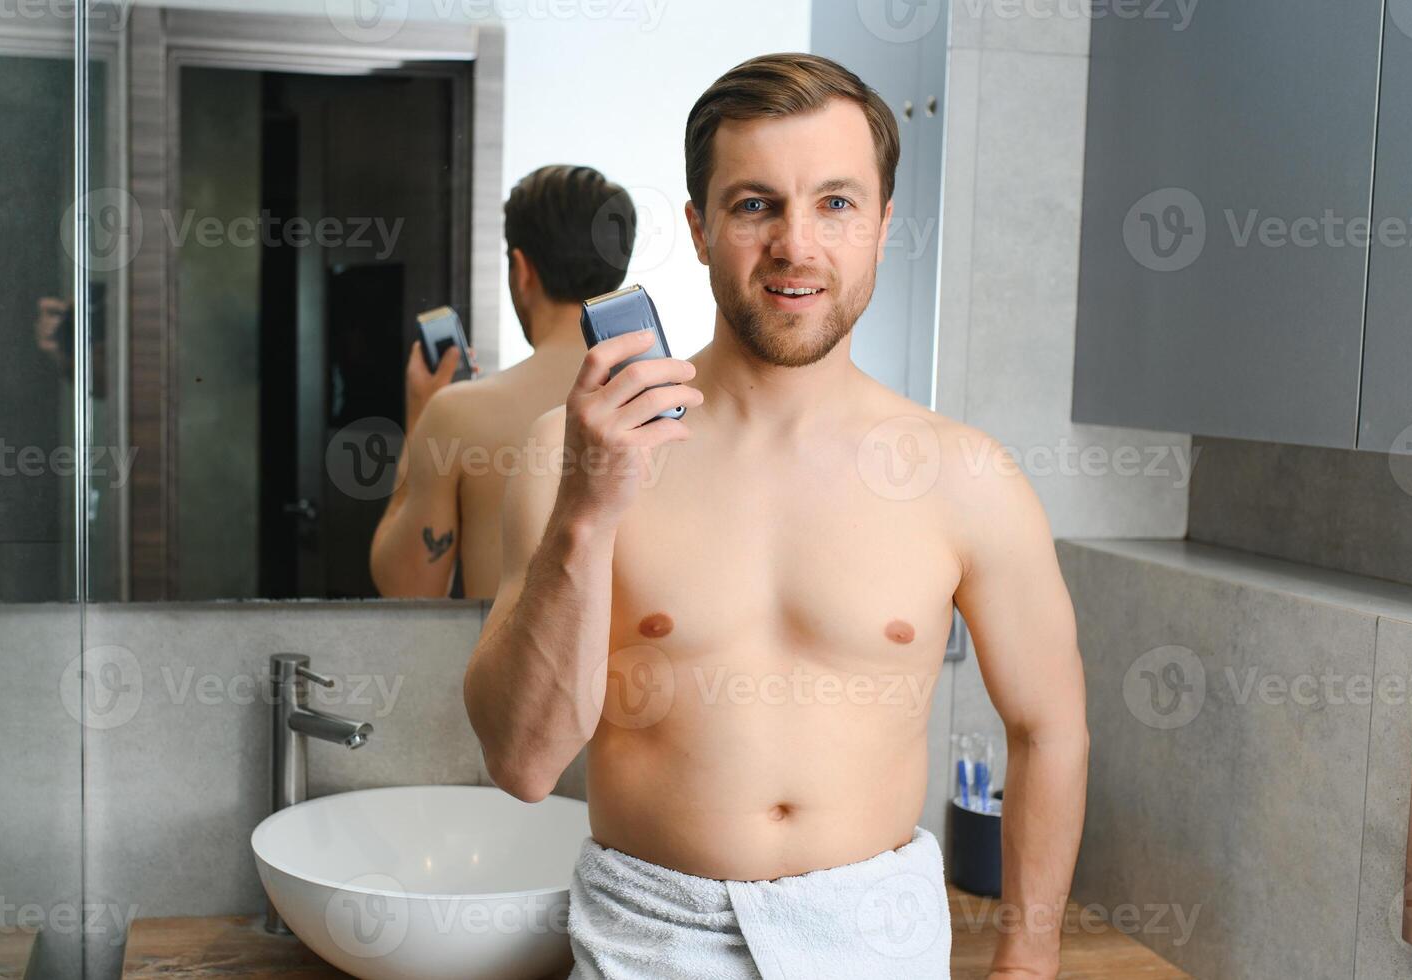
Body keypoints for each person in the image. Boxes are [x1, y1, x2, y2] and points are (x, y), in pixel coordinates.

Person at [465, 54, 1088, 978]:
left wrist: (1028, 960)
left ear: (883, 225)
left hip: (878, 940)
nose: (796, 245)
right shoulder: (572, 454)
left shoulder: (964, 476)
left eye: (835, 203)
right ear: (700, 228)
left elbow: (1050, 728)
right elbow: (523, 764)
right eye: (755, 204)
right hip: (651, 941)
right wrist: (587, 516)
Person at [369, 164, 636, 599]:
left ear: (522, 269)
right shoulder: (671, 401)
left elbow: (408, 589)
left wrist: (420, 414)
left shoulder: (459, 413)